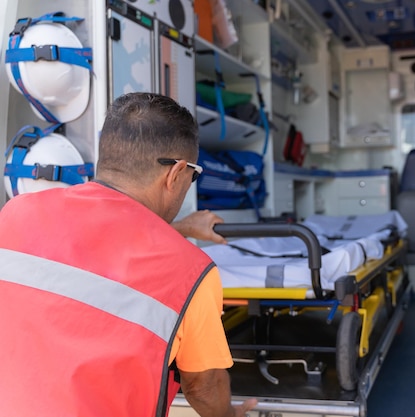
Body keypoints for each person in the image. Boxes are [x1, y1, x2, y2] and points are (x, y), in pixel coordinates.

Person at [0, 92, 257, 417]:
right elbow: (203, 387)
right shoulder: (193, 273)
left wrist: (181, 229)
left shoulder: (15, 214)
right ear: (175, 174)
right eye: (194, 175)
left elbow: (92, 248)